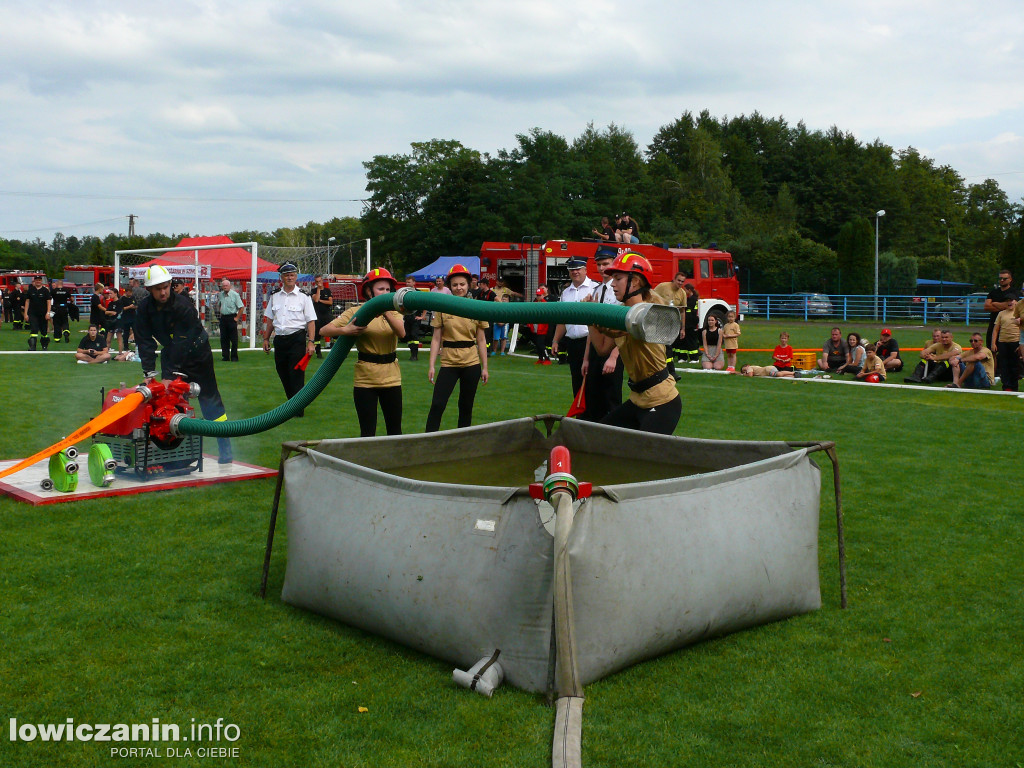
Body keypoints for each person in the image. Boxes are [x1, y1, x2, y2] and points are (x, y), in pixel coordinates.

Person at [135, 265, 233, 463]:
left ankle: (225, 450)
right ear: (149, 290)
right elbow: (144, 341)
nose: (163, 292)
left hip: (197, 355)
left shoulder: (183, 306)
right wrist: (149, 373)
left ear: (171, 284)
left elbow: (182, 342)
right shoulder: (144, 309)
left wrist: (169, 376)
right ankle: (175, 454)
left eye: (165, 287)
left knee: (209, 401)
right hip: (171, 353)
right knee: (169, 403)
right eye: (158, 289)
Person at [589, 253, 680, 434]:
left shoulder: (650, 311)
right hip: (638, 398)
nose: (612, 284)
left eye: (618, 278)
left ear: (636, 281)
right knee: (600, 437)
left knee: (646, 456)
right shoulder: (621, 313)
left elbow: (619, 329)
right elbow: (602, 348)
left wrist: (593, 313)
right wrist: (590, 319)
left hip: (662, 401)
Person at [321, 268, 405, 437]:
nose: (385, 293)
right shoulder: (356, 311)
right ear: (368, 290)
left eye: (388, 290)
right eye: (380, 289)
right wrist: (346, 330)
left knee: (395, 430)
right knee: (367, 432)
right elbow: (324, 330)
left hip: (391, 377)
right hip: (365, 379)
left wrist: (386, 312)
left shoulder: (395, 311)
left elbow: (402, 333)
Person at [425, 264, 489, 432]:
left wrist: (485, 367)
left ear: (468, 285)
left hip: (471, 362)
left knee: (466, 406)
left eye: (462, 284)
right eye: (455, 285)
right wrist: (432, 365)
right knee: (438, 404)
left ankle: (463, 443)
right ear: (449, 287)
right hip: (448, 363)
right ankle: (428, 441)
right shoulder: (442, 307)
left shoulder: (477, 307)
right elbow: (436, 338)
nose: (459, 288)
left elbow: (481, 340)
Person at [262, 262, 317, 415]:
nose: (290, 277)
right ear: (281, 277)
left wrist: (311, 342)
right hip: (280, 339)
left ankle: (298, 409)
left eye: (292, 275)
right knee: (283, 372)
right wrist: (266, 339)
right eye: (286, 275)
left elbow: (311, 321)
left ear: (296, 277)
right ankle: (291, 404)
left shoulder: (304, 297)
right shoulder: (275, 296)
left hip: (297, 339)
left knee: (296, 374)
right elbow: (270, 320)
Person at [582, 247, 624, 420]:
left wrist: (614, 357)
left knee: (611, 396)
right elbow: (592, 329)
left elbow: (624, 330)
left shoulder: (619, 290)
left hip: (614, 346)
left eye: (605, 263)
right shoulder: (598, 290)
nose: (601, 268)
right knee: (594, 396)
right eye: (598, 264)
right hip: (597, 348)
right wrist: (586, 358)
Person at [551, 257, 599, 401]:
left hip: (591, 342)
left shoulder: (595, 288)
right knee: (576, 382)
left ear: (585, 270)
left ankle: (592, 418)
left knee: (593, 383)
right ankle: (580, 416)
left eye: (578, 269)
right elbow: (563, 320)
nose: (575, 272)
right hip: (573, 343)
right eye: (572, 270)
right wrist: (555, 340)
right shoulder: (566, 293)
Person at [652, 271, 689, 379]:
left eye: (682, 281)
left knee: (667, 347)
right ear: (674, 279)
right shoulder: (663, 287)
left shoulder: (682, 293)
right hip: (656, 321)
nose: (680, 283)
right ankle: (669, 372)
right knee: (660, 347)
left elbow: (683, 311)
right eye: (679, 280)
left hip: (670, 324)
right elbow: (650, 297)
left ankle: (670, 372)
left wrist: (683, 329)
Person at [984, 269, 1019, 355]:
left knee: (1008, 353)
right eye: (1000, 278)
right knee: (991, 351)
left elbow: (1009, 306)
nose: (1002, 280)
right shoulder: (993, 292)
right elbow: (986, 306)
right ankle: (993, 368)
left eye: (1004, 278)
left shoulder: (1014, 292)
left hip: (1007, 327)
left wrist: (994, 303)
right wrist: (1003, 306)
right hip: (993, 324)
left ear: (1010, 279)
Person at [991, 299, 1020, 391]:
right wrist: (993, 343)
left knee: (1014, 365)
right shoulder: (1001, 314)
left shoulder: (1020, 313)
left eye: (1011, 300)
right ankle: (1006, 386)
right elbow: (995, 329)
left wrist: (1021, 345)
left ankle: (1014, 386)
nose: (1010, 302)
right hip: (1003, 342)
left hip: (1016, 342)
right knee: (1004, 365)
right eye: (1007, 301)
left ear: (1016, 302)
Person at [215, 278, 243, 362]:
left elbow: (241, 307)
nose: (225, 287)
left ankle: (234, 356)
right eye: (223, 286)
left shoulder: (235, 295)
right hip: (223, 318)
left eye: (226, 286)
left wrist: (237, 318)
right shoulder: (220, 295)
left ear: (230, 286)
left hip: (232, 318)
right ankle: (225, 356)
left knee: (233, 339)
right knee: (223, 338)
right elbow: (219, 305)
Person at [23, 274, 52, 351]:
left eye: (39, 280)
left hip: (43, 314)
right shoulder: (30, 290)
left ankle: (44, 346)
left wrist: (48, 313)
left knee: (44, 331)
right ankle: (32, 346)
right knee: (34, 330)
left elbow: (48, 302)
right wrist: (25, 313)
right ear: (34, 281)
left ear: (41, 281)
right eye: (36, 280)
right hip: (32, 314)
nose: (38, 281)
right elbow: (27, 302)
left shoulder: (45, 290)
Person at [401, 276, 426, 360]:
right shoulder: (403, 293)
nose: (407, 284)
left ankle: (414, 355)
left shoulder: (418, 293)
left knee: (414, 336)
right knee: (408, 336)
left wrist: (422, 316)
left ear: (414, 283)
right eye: (406, 282)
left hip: (415, 318)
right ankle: (412, 353)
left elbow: (425, 305)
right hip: (407, 318)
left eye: (409, 282)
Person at [310, 275, 333, 358]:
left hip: (326, 314)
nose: (319, 283)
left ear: (322, 281)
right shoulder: (313, 291)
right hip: (317, 315)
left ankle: (336, 350)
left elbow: (330, 302)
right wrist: (319, 290)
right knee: (317, 335)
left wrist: (321, 300)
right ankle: (318, 353)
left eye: (320, 281)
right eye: (317, 281)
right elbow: (316, 299)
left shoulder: (327, 290)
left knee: (335, 330)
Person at [50, 278, 73, 344]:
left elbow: (49, 298)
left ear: (57, 284)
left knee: (56, 323)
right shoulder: (66, 291)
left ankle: (57, 338)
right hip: (64, 308)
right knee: (65, 321)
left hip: (56, 308)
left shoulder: (54, 291)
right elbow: (71, 298)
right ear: (62, 284)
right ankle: (66, 331)